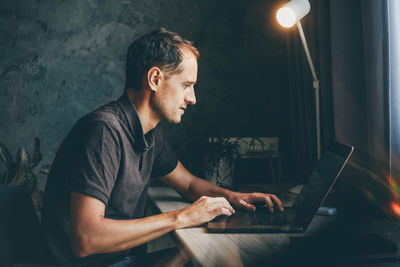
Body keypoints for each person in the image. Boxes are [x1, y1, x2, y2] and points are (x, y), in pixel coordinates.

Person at [42, 28, 283, 266]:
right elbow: (86, 239)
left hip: (124, 260)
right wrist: (181, 217)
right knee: (215, 253)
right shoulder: (105, 131)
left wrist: (235, 198)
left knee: (217, 250)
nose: (192, 98)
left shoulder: (149, 132)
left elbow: (188, 184)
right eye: (186, 85)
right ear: (155, 79)